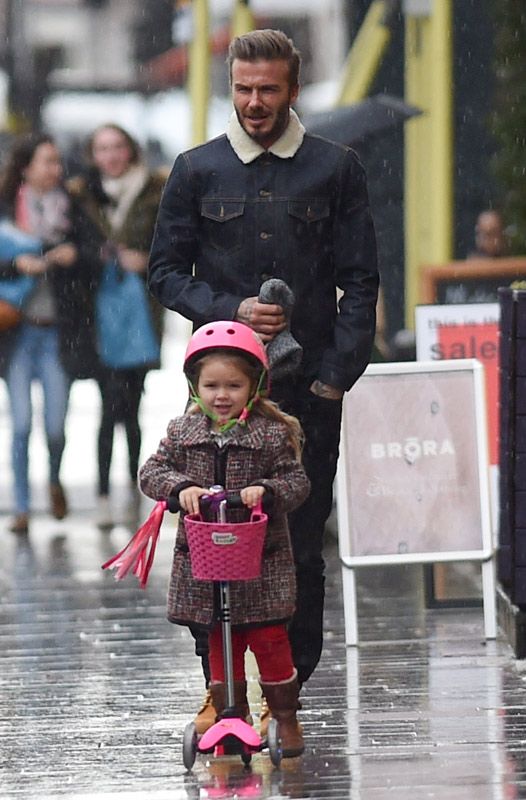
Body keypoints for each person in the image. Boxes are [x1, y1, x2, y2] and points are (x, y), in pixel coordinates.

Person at [148, 29, 378, 729]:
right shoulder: (196, 170)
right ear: (231, 85)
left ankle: (289, 691)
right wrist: (229, 311)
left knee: (299, 546)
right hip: (217, 402)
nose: (254, 102)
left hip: (306, 398)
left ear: (293, 89)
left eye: (268, 89)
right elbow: (163, 272)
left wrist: (336, 375)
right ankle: (221, 690)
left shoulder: (336, 168)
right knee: (208, 545)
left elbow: (360, 281)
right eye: (244, 89)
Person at [139, 321, 310, 757]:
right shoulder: (183, 433)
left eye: (233, 385)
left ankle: (284, 717)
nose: (221, 395)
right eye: (211, 385)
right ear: (195, 387)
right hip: (206, 563)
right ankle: (230, 712)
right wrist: (180, 489)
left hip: (260, 562)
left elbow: (296, 482)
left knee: (270, 639)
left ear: (253, 387)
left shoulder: (271, 435)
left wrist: (267, 492)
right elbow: (151, 473)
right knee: (220, 640)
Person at [0, 133, 102, 535]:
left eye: (58, 162)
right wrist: (15, 266)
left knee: (56, 426)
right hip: (17, 333)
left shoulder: (71, 209)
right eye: (47, 161)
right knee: (22, 423)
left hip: (60, 333)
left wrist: (72, 257)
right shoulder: (7, 211)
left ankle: (55, 479)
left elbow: (95, 256)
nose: (55, 169)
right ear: (27, 167)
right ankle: (22, 506)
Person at [68, 124, 166, 527]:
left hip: (140, 312)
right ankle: (106, 493)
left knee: (133, 405)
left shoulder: (152, 192)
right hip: (98, 312)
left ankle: (131, 487)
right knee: (110, 406)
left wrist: (146, 261)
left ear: (130, 150)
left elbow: (169, 245)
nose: (110, 156)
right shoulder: (81, 195)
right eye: (102, 148)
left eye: (117, 147)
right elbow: (74, 246)